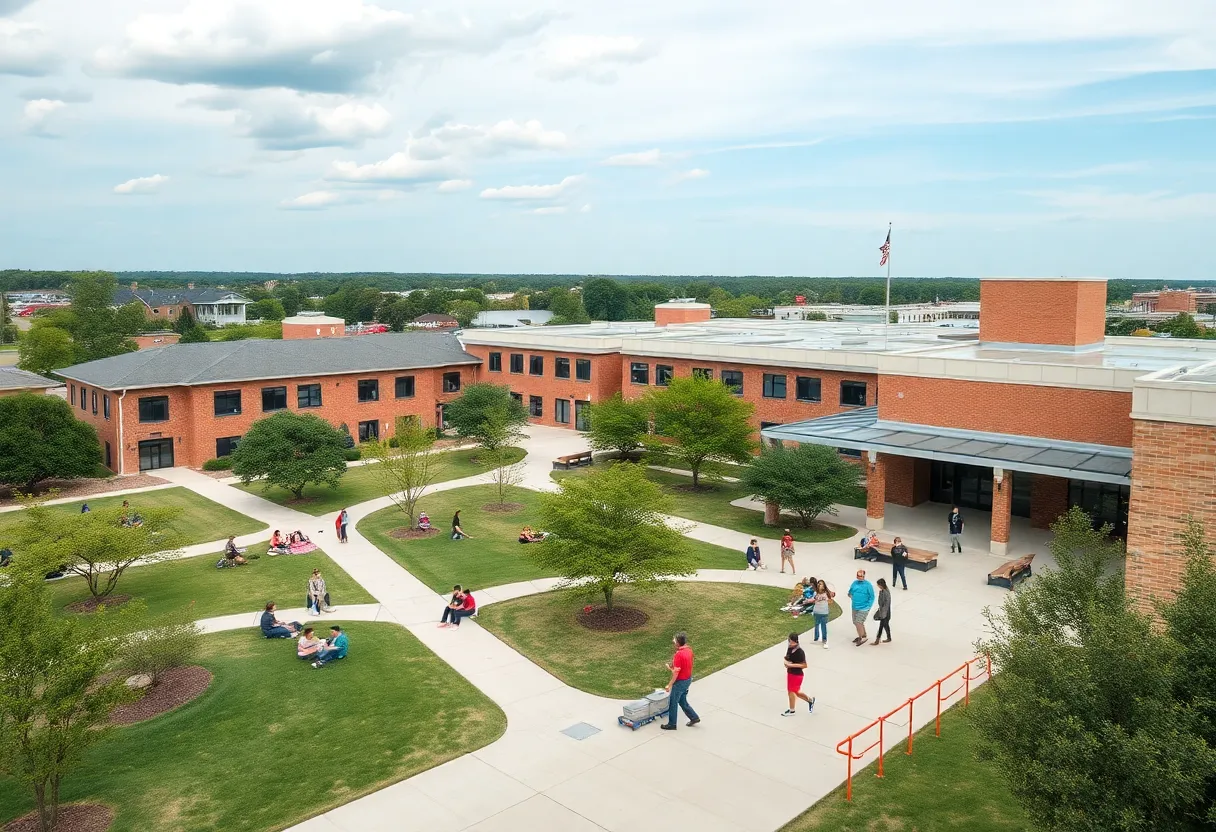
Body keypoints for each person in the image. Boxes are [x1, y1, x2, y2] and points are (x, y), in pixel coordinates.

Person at [661, 632, 700, 731]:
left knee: (673, 703)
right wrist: (673, 667)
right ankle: (694, 717)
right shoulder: (689, 650)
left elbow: (676, 673)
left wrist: (669, 685)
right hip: (688, 680)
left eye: (675, 641)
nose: (673, 642)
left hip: (680, 682)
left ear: (678, 643)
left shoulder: (679, 654)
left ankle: (672, 724)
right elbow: (687, 664)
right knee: (682, 701)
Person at [781, 632, 816, 716]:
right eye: (790, 641)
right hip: (790, 673)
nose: (791, 643)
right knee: (795, 691)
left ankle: (792, 710)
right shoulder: (789, 648)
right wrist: (786, 662)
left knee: (791, 691)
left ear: (796, 641)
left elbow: (804, 665)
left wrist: (791, 665)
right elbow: (787, 658)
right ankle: (810, 700)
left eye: (792, 641)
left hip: (797, 675)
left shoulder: (800, 652)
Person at [847, 569, 876, 647]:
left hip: (864, 607)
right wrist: (850, 595)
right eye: (858, 575)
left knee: (858, 622)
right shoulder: (854, 583)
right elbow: (850, 592)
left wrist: (869, 606)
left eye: (860, 576)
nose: (859, 577)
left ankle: (863, 637)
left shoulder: (868, 585)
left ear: (863, 576)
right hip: (855, 606)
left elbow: (872, 596)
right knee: (855, 622)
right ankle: (862, 635)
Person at [812, 579, 834, 649]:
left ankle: (824, 639)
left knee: (823, 626)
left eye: (821, 584)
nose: (819, 584)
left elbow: (830, 600)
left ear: (824, 586)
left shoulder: (827, 593)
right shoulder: (815, 593)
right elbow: (814, 600)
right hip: (816, 611)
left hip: (824, 613)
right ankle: (816, 638)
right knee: (816, 625)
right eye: (818, 583)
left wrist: (830, 599)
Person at [872, 578, 892, 645]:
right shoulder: (882, 591)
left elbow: (886, 604)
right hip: (884, 611)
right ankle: (889, 638)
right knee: (885, 625)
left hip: (885, 612)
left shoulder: (886, 593)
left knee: (881, 626)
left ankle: (877, 640)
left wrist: (882, 613)